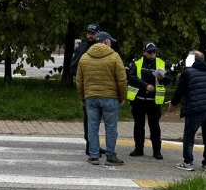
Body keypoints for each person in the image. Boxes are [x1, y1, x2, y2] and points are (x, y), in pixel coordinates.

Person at [75, 30, 127, 167]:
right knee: (111, 128)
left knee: (92, 127)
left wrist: (83, 97)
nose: (111, 44)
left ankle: (93, 156)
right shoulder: (115, 57)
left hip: (91, 97)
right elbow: (122, 79)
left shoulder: (85, 57)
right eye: (110, 41)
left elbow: (79, 81)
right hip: (110, 97)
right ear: (106, 42)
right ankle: (110, 156)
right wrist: (123, 96)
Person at [166, 49, 206, 172]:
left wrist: (173, 104)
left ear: (192, 60)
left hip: (196, 108)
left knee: (189, 136)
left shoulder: (188, 73)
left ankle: (188, 162)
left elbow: (180, 91)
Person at [127, 42, 168, 160]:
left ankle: (157, 151)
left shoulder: (161, 63)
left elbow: (169, 80)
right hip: (139, 100)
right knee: (138, 126)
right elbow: (131, 78)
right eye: (149, 52)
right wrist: (145, 85)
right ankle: (138, 148)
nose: (152, 54)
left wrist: (163, 78)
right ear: (144, 52)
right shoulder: (137, 63)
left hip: (153, 101)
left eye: (154, 52)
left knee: (154, 126)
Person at [70, 24, 100, 158]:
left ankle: (95, 145)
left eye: (93, 33)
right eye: (89, 33)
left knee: (98, 120)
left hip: (101, 89)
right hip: (88, 90)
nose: (90, 35)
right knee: (89, 119)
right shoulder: (82, 49)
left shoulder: (102, 48)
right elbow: (73, 68)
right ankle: (90, 146)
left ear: (98, 34)